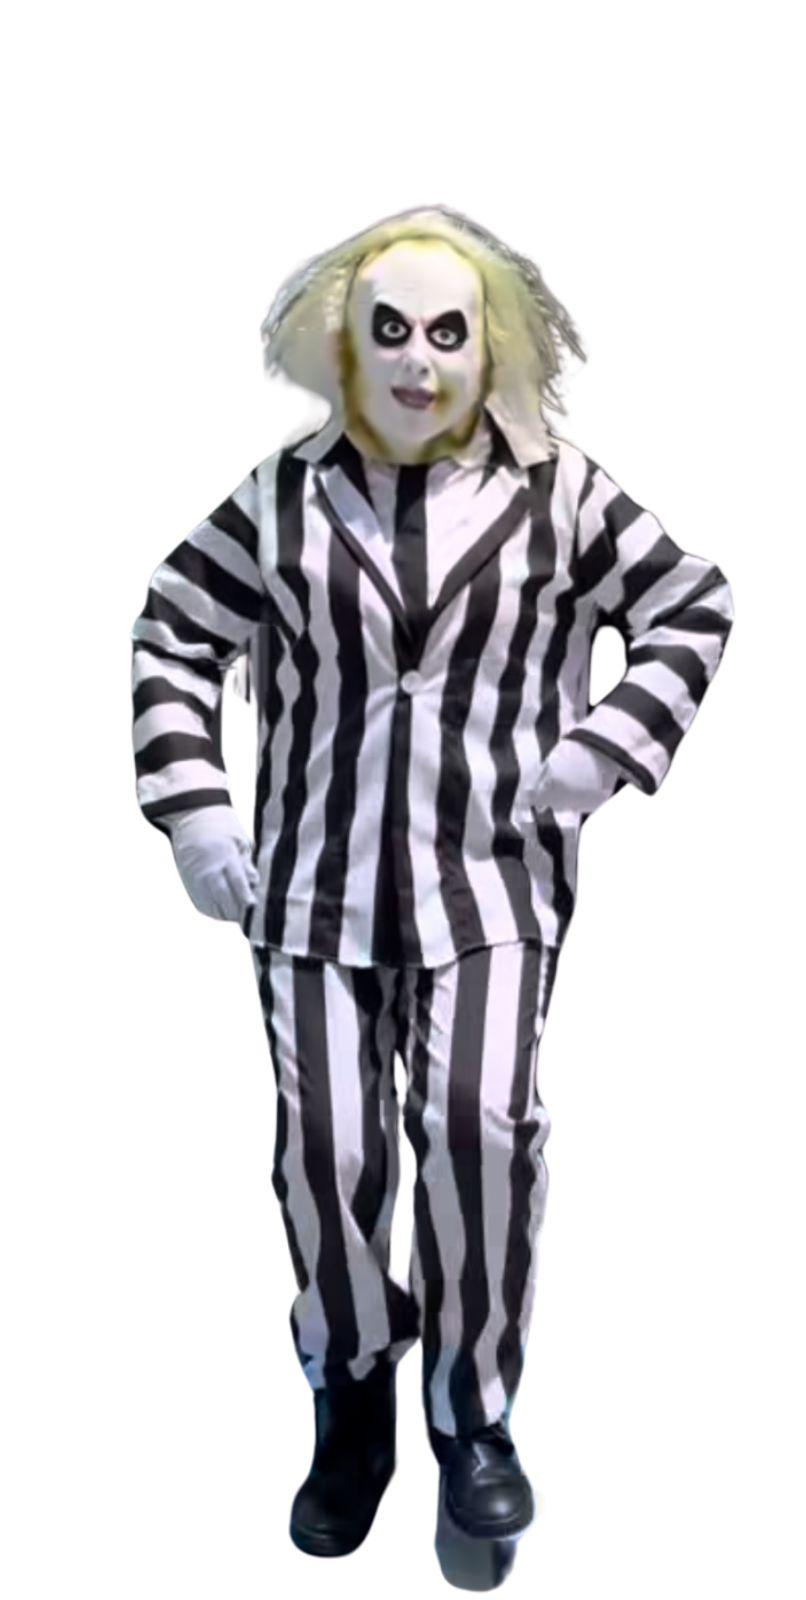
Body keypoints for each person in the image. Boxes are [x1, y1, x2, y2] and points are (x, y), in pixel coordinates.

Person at [131, 204, 734, 1571]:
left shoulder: (560, 491)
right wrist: (194, 805)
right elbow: (174, 625)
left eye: (448, 333)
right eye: (390, 331)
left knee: (478, 1129)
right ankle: (352, 1383)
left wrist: (607, 743)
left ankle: (472, 1407)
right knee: (327, 1148)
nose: (418, 361)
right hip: (310, 884)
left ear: (491, 344)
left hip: (491, 882)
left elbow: (690, 602)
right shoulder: (282, 496)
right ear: (343, 345)